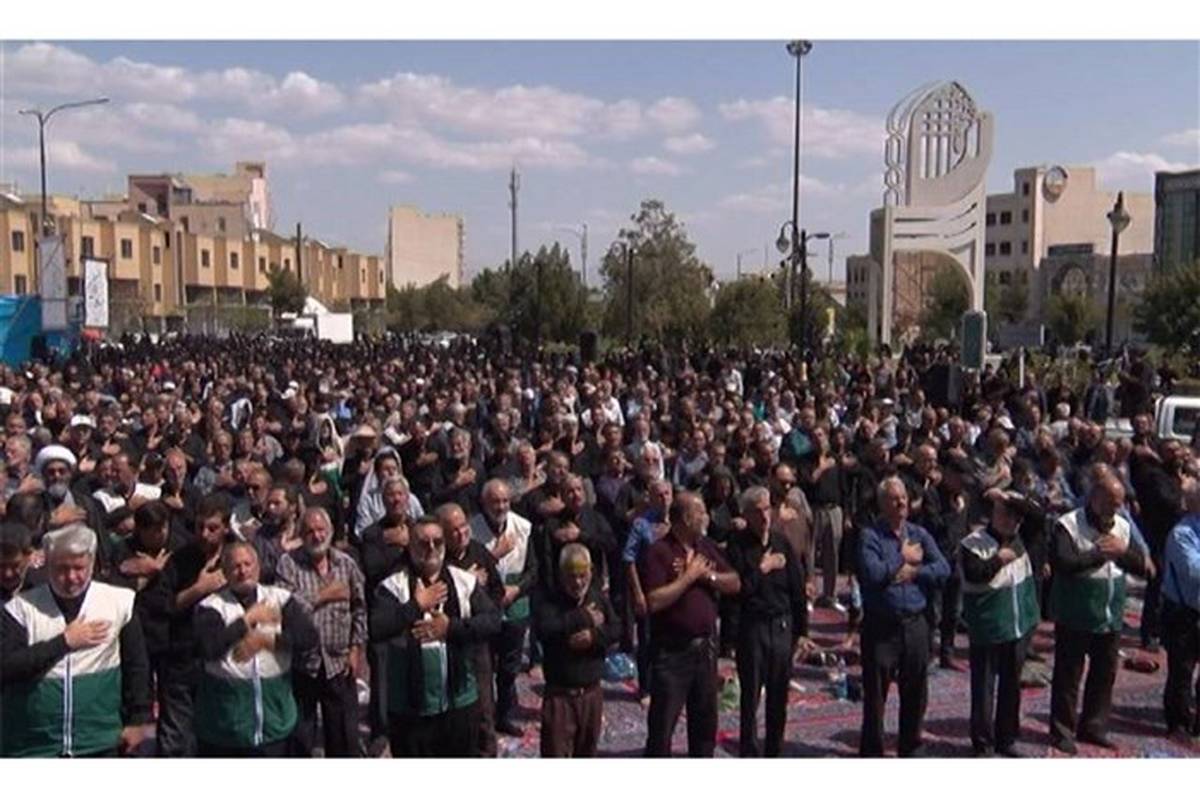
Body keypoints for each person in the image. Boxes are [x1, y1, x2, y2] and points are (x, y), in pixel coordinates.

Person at [0, 524, 152, 757]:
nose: (71, 577)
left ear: (91, 563)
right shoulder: (20, 609)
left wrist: (138, 719)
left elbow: (137, 665)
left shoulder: (118, 602)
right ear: (48, 565)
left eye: (78, 568)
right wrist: (64, 642)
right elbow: (7, 666)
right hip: (34, 744)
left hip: (98, 741)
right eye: (62, 569)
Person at [371, 515, 501, 757]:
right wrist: (416, 606)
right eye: (423, 543)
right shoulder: (393, 586)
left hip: (459, 704)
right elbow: (377, 627)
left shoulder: (464, 582)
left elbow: (493, 621)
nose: (431, 548)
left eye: (437, 542)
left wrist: (451, 628)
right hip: (410, 711)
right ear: (410, 546)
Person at [1048, 472, 1153, 754]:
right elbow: (1064, 563)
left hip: (1109, 614)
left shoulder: (1122, 526)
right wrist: (1100, 553)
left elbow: (1141, 566)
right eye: (1110, 502)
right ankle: (1062, 731)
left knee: (1104, 675)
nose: (1114, 509)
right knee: (1068, 676)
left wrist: (1121, 552)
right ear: (1094, 497)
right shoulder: (1068, 525)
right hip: (1075, 613)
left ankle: (1094, 726)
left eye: (1118, 503)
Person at [193, 539, 319, 757]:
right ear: (225, 573)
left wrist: (267, 641)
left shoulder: (280, 599)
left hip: (276, 722)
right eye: (236, 566)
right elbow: (209, 647)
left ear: (258, 566)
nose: (243, 571)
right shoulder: (211, 606)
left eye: (247, 564)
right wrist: (247, 620)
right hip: (226, 727)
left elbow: (308, 639)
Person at [640, 491, 741, 757]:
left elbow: (734, 582)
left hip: (705, 650)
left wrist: (707, 576)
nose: (705, 517)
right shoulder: (659, 551)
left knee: (705, 727)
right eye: (700, 512)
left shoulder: (705, 547)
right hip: (672, 653)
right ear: (685, 518)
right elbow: (653, 601)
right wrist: (687, 578)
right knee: (662, 728)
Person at [857, 476, 950, 757]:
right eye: (895, 499)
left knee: (916, 692)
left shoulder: (919, 534)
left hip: (915, 624)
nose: (901, 503)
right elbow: (873, 574)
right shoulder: (870, 536)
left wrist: (915, 572)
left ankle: (910, 747)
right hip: (882, 627)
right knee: (876, 695)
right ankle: (872, 751)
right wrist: (902, 556)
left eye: (904, 498)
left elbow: (943, 568)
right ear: (883, 503)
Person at [726, 485, 812, 757]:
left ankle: (774, 750)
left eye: (767, 509)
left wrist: (802, 631)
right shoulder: (737, 545)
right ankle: (749, 751)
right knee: (750, 696)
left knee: (778, 696)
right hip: (753, 627)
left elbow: (797, 589)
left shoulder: (781, 542)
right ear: (747, 515)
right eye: (757, 511)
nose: (764, 516)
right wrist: (763, 568)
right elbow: (739, 591)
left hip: (781, 626)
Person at [277, 507, 367, 758]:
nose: (316, 536)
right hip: (302, 664)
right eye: (309, 531)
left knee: (343, 737)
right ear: (301, 535)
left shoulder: (346, 564)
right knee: (301, 738)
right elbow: (286, 608)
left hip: (339, 662)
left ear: (330, 531)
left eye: (321, 530)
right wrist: (324, 595)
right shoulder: (288, 564)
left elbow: (360, 609)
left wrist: (356, 649)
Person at [960, 492, 1040, 757]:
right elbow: (974, 574)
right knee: (983, 688)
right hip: (988, 628)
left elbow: (1039, 517)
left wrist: (1011, 497)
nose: (1011, 521)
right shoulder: (973, 543)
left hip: (1018, 626)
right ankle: (982, 743)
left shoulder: (1021, 538)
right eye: (1006, 514)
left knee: (1011, 686)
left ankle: (1007, 738)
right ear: (993, 514)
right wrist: (998, 560)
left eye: (1016, 517)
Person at [532, 543, 619, 757]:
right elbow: (544, 630)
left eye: (582, 575)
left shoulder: (597, 598)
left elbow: (617, 629)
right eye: (571, 577)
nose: (578, 582)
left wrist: (594, 637)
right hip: (560, 695)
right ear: (561, 575)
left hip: (591, 693)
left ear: (591, 571)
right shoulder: (549, 599)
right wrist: (582, 617)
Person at [469, 478, 537, 736]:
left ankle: (504, 715)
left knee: (509, 668)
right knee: (484, 666)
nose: (501, 506)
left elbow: (534, 569)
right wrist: (494, 555)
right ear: (485, 503)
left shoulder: (523, 527)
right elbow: (465, 572)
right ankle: (484, 720)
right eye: (495, 501)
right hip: (484, 606)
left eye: (505, 501)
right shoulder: (471, 530)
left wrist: (517, 589)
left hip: (515, 604)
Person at [438, 501, 504, 757]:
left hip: (477, 642)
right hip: (448, 643)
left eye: (464, 526)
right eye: (453, 530)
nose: (461, 533)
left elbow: (497, 592)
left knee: (484, 707)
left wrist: (479, 593)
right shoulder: (438, 560)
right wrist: (466, 582)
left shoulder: (479, 551)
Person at [1162, 478, 1200, 742]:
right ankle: (1178, 723)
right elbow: (1193, 571)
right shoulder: (1182, 534)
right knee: (1181, 671)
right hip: (1183, 613)